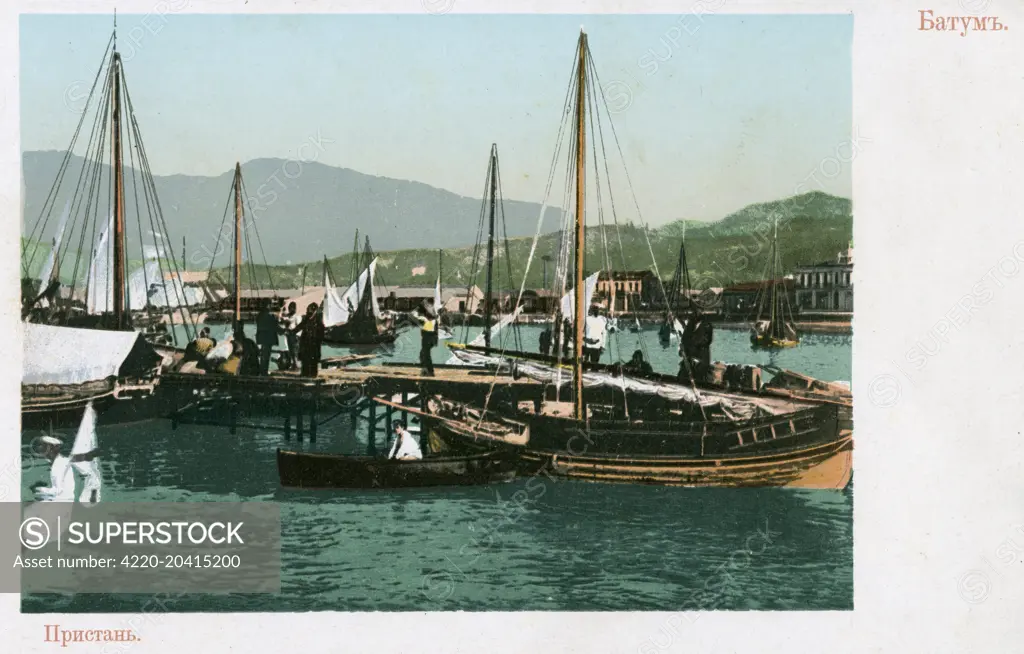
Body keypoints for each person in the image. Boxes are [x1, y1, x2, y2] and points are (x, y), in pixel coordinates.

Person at [30, 436, 96, 502]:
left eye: (43, 446)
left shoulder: (59, 465)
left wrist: (40, 490)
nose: (39, 448)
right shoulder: (60, 461)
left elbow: (58, 490)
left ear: (50, 449)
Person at [294, 303, 325, 378]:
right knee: (305, 359)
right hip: (306, 343)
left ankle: (313, 375)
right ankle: (305, 373)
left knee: (313, 360)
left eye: (310, 310)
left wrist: (318, 341)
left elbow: (321, 334)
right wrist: (291, 332)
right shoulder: (306, 319)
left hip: (314, 344)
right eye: (308, 310)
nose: (308, 311)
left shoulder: (318, 321)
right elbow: (299, 327)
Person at [414, 298, 438, 377]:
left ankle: (430, 371)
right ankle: (425, 370)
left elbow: (427, 320)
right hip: (430, 336)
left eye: (426, 304)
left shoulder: (430, 311)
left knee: (426, 354)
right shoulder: (431, 311)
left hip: (428, 336)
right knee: (423, 354)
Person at [255, 302, 280, 375]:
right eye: (269, 305)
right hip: (267, 339)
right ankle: (264, 372)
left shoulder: (260, 315)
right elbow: (274, 326)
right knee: (265, 356)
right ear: (267, 306)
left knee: (264, 355)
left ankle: (263, 371)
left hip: (262, 338)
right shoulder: (268, 316)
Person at [280, 302, 300, 371]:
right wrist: (282, 310)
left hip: (294, 336)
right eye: (289, 308)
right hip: (289, 335)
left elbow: (299, 327)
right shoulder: (288, 316)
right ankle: (294, 365)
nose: (290, 309)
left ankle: (296, 366)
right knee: (291, 351)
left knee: (294, 351)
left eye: (292, 308)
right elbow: (281, 318)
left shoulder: (297, 317)